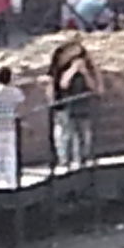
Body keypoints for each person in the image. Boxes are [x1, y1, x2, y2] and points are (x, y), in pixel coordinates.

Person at [48, 34, 101, 170]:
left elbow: (94, 86)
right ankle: (65, 160)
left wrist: (84, 72)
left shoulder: (87, 63)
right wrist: (73, 69)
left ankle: (83, 158)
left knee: (85, 134)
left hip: (83, 105)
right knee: (67, 134)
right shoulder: (62, 65)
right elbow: (63, 84)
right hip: (67, 105)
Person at [0, 66, 23, 189]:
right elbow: (20, 103)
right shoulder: (15, 92)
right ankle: (11, 181)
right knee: (10, 155)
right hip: (10, 126)